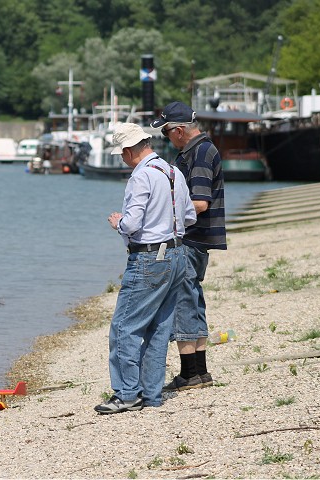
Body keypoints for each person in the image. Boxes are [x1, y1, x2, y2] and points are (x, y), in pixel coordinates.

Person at [94, 123, 196, 414]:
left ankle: (127, 393)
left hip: (149, 258)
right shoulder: (172, 171)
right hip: (177, 254)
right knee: (159, 327)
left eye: (121, 154)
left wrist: (118, 223)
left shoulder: (141, 177)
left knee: (124, 327)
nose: (122, 159)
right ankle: (151, 394)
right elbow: (189, 216)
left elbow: (132, 223)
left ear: (128, 151)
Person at [150, 101, 227, 392]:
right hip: (197, 238)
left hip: (191, 238)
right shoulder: (199, 150)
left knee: (183, 302)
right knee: (193, 300)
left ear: (180, 130)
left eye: (167, 132)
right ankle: (200, 372)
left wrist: (161, 215)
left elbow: (200, 202)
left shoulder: (200, 152)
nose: (167, 138)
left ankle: (190, 374)